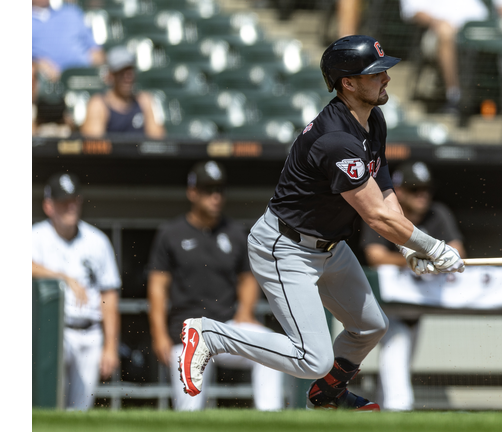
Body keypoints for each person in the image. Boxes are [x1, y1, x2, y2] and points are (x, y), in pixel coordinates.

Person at [176, 35, 465, 412]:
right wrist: (432, 246)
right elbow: (375, 215)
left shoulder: (372, 119)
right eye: (375, 73)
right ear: (348, 83)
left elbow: (383, 189)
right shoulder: (335, 140)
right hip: (286, 247)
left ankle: (328, 393)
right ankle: (211, 334)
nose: (386, 78)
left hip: (330, 247)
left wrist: (407, 245)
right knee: (312, 357)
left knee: (371, 327)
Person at [147, 160, 285, 411]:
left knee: (271, 347)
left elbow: (247, 277)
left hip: (225, 326)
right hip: (187, 331)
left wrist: (245, 312)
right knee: (189, 411)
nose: (215, 196)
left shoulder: (234, 232)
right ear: (193, 192)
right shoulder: (171, 233)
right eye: (208, 190)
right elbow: (157, 286)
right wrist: (158, 334)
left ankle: (269, 420)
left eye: (220, 190)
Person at [360, 161, 465, 411]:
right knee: (397, 345)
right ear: (398, 190)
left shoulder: (437, 214)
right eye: (415, 189)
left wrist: (433, 259)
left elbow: (457, 252)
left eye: (426, 189)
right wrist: (413, 259)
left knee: (399, 361)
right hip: (382, 308)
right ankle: (399, 410)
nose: (423, 195)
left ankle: (387, 412)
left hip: (416, 307)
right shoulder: (384, 213)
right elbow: (375, 256)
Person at [31, 172, 121, 410]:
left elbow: (109, 296)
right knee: (50, 405)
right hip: (54, 331)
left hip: (91, 331)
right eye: (63, 202)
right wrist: (62, 277)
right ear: (49, 206)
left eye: (74, 200)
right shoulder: (35, 235)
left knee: (80, 411)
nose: (70, 207)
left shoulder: (97, 240)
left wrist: (110, 346)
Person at [399, 0, 489, 114]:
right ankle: (454, 96)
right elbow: (413, 12)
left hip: (471, 32)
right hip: (435, 32)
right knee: (445, 33)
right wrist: (438, 22)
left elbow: (481, 13)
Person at [81, 46, 166, 139]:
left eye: (130, 72)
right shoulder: (99, 104)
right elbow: (93, 147)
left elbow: (158, 142)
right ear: (111, 75)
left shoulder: (145, 101)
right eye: (121, 72)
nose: (127, 77)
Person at [32, 0, 105, 82]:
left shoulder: (72, 12)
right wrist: (37, 64)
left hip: (84, 78)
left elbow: (96, 51)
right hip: (50, 83)